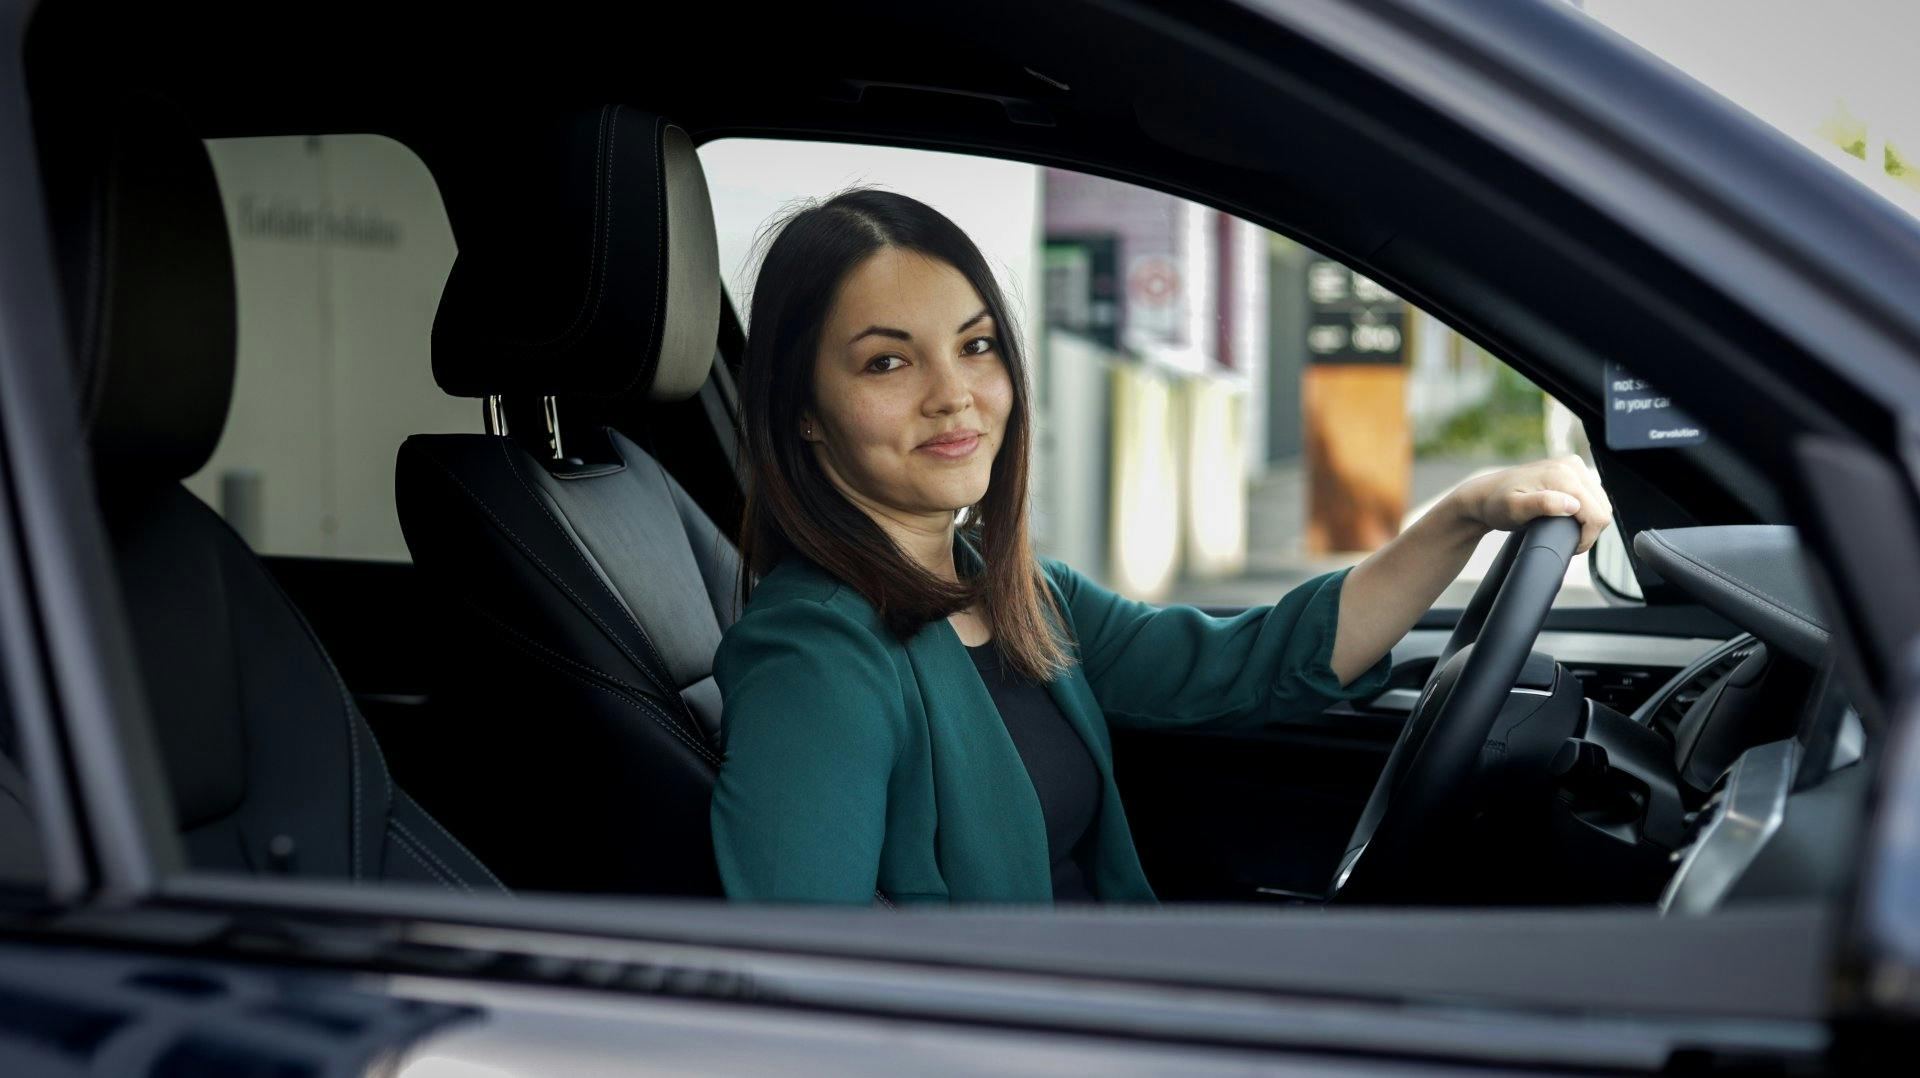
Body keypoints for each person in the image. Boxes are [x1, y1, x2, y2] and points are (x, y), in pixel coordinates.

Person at [709, 189, 1612, 905]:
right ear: (803, 414)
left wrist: (1460, 516)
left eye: (977, 345)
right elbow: (800, 978)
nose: (956, 395)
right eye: (887, 362)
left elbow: (1248, 663)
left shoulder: (1021, 595)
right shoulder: (816, 655)